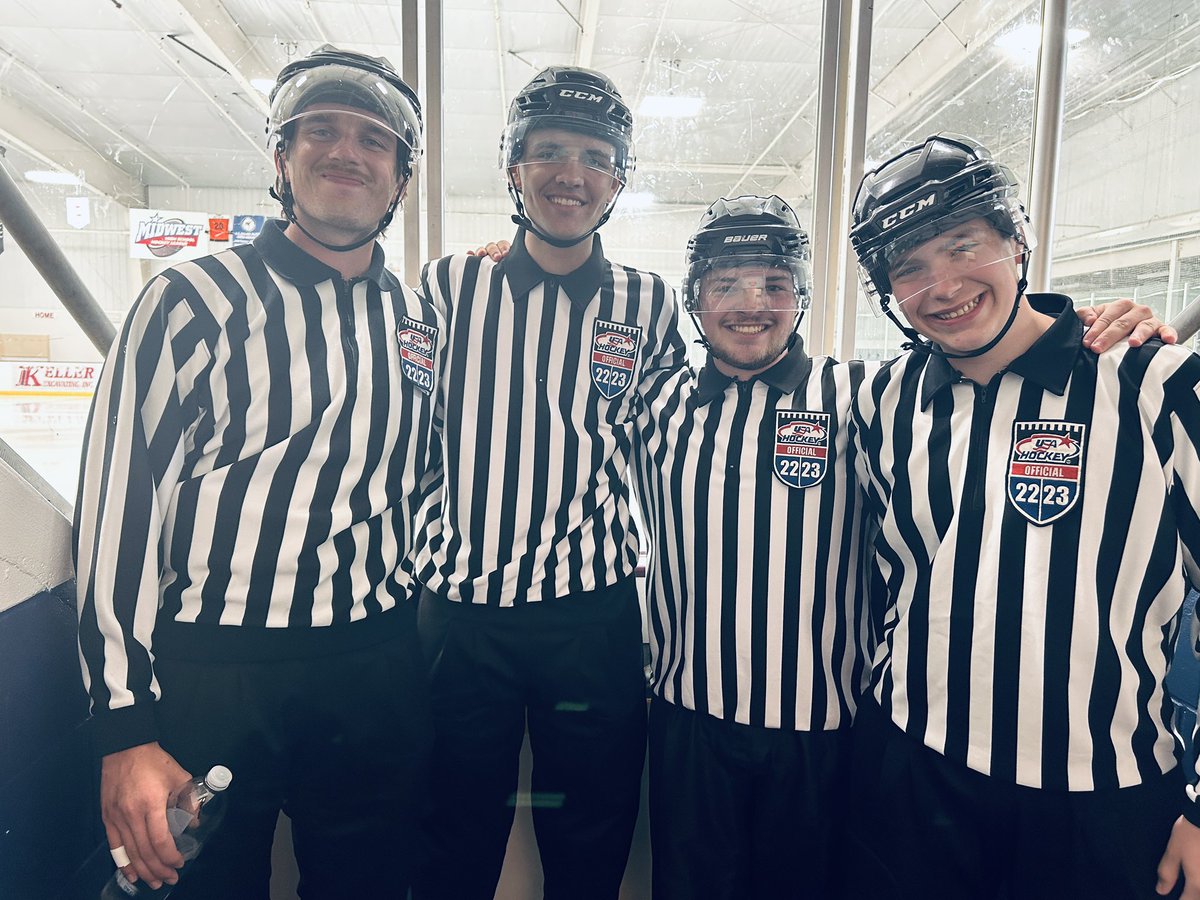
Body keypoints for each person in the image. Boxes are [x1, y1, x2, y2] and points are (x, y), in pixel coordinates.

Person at [75, 45, 440, 897]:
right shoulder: (189, 299)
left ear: (400, 180)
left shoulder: (421, 321)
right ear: (281, 157)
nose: (347, 151)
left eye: (374, 140)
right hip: (214, 676)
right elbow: (119, 507)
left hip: (376, 669)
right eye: (322, 130)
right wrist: (124, 728)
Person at [845, 132, 1200, 899]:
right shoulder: (884, 400)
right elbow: (893, 574)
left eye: (963, 245)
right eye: (909, 268)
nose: (942, 285)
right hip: (915, 764)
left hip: (1101, 797)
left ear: (1016, 240)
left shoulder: (1152, 382)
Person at [411, 66, 687, 900]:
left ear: (618, 179)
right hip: (460, 617)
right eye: (551, 152)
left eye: (596, 157)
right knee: (453, 825)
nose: (572, 172)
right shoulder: (450, 283)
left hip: (590, 614)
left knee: (591, 827)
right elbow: (405, 434)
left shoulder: (649, 301)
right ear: (513, 167)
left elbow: (680, 429)